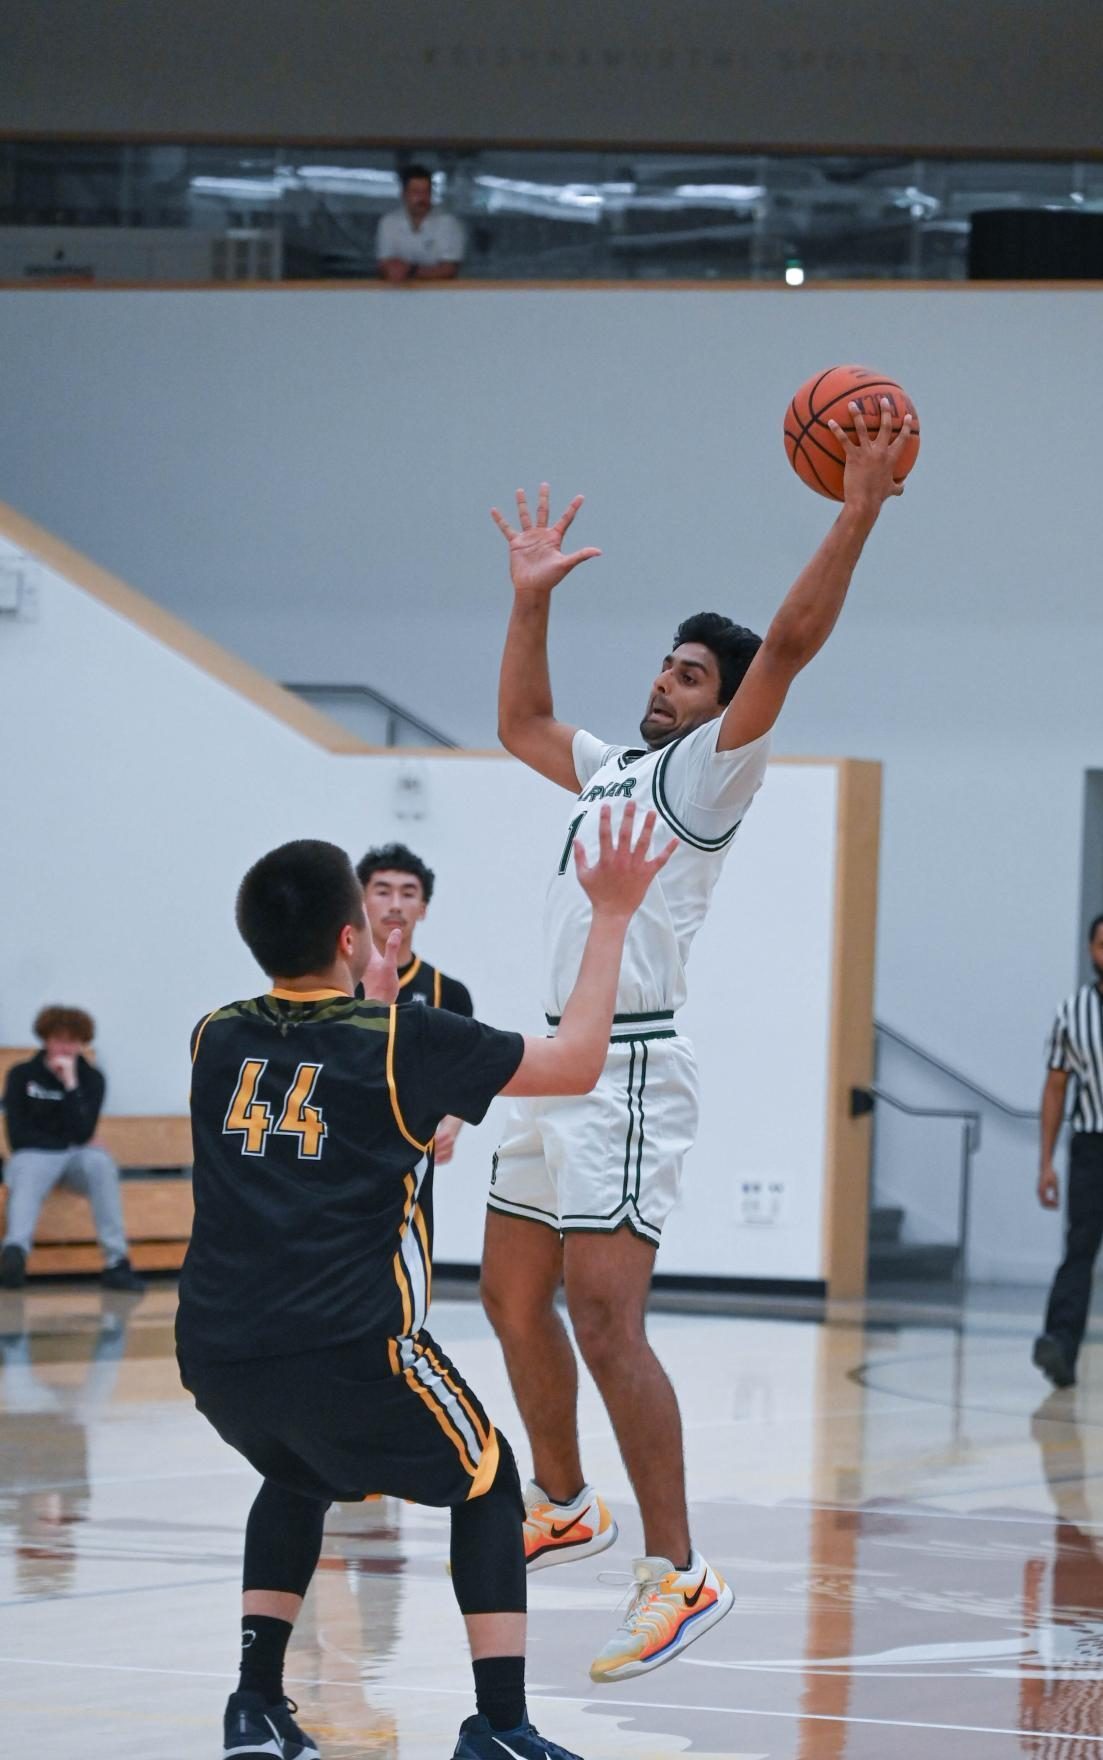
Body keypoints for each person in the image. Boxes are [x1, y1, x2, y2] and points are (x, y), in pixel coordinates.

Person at [481, 401, 913, 1684]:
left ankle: (678, 1568)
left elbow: (787, 640)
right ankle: (560, 1497)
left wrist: (857, 506)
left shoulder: (707, 776)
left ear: (721, 706)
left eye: (686, 671)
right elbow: (518, 721)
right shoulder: (610, 765)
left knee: (607, 1322)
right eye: (664, 662)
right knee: (510, 1299)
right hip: (546, 1059)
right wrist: (530, 598)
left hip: (624, 1065)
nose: (663, 677)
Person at [175, 816, 674, 1760]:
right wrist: (609, 916)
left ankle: (255, 1708)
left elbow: (315, 1069)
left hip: (216, 1351)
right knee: (485, 1483)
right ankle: (500, 1726)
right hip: (351, 1344)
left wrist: (363, 984)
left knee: (297, 1472)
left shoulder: (212, 1037)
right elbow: (572, 1065)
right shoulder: (406, 1040)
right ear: (350, 936)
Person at [0, 1006, 145, 1292]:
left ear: (82, 1043)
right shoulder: (21, 1075)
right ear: (45, 1039)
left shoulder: (92, 1080)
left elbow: (83, 1131)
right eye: (58, 1039)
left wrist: (70, 1084)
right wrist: (68, 1142)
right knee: (26, 1166)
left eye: (72, 1040)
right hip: (35, 1156)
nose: (65, 1047)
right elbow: (18, 1137)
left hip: (75, 1157)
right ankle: (14, 1253)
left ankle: (116, 1262)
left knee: (101, 1163)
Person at [356, 840, 472, 1164]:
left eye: (408, 894)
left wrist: (450, 1126)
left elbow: (463, 1070)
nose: (395, 905)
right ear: (362, 903)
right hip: (339, 1142)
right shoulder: (334, 982)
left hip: (410, 1151)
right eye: (382, 891)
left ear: (422, 908)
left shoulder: (448, 992)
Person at [1033, 914, 1103, 1390]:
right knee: (1079, 1248)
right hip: (1092, 1147)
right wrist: (1045, 1163)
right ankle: (1059, 1344)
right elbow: (1055, 1088)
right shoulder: (1072, 1013)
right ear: (1090, 951)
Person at [376, 163, 464, 284]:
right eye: (416, 192)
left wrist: (410, 271)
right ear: (404, 194)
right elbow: (384, 264)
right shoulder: (389, 222)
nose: (422, 198)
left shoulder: (448, 223)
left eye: (426, 192)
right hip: (395, 295)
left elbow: (449, 269)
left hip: (440, 295)